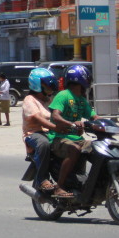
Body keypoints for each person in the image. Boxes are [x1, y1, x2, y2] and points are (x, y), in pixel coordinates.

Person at [47, 64, 96, 198]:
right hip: (58, 138)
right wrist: (72, 124)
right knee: (74, 149)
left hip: (78, 139)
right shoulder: (63, 95)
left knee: (98, 149)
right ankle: (59, 186)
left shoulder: (81, 100)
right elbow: (55, 115)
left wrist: (106, 124)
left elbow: (94, 116)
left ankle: (90, 183)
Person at [21, 68, 57, 192]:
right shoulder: (29, 100)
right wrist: (55, 127)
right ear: (37, 85)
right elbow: (38, 119)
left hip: (50, 133)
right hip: (33, 134)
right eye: (46, 85)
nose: (50, 87)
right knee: (44, 144)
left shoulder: (49, 99)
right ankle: (42, 179)